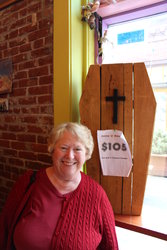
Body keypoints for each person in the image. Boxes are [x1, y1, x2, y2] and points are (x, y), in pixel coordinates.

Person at [0, 122, 119, 250]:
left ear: (86, 154)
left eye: (77, 149)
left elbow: (111, 246)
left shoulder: (97, 195)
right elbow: (4, 230)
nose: (70, 155)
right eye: (63, 148)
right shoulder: (28, 183)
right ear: (52, 150)